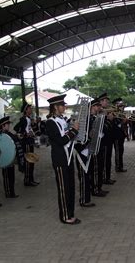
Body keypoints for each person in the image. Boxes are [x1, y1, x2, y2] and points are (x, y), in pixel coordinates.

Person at [45, 94, 81, 224]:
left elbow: (66, 136)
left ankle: (70, 212)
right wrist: (74, 131)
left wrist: (72, 130)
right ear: (55, 107)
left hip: (68, 157)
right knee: (64, 188)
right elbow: (60, 141)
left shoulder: (61, 119)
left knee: (70, 187)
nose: (64, 106)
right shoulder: (50, 122)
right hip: (60, 159)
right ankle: (65, 216)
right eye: (62, 105)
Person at [0, 116, 24, 198]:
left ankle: (11, 192)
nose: (9, 126)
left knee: (11, 176)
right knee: (7, 177)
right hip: (6, 159)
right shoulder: (0, 135)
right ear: (3, 125)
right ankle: (9, 192)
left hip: (10, 159)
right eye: (7, 124)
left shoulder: (8, 133)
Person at [14, 103, 39, 186]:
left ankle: (30, 179)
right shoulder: (23, 119)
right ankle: (27, 180)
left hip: (30, 142)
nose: (31, 110)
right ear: (25, 110)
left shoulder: (28, 119)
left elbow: (30, 129)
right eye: (29, 108)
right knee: (28, 161)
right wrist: (25, 134)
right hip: (26, 143)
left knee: (31, 161)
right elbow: (16, 128)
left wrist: (32, 132)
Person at [112, 98, 127, 172]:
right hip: (116, 136)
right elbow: (116, 125)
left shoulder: (120, 114)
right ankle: (118, 167)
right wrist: (122, 122)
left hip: (121, 136)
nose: (122, 108)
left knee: (121, 152)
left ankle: (120, 166)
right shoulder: (114, 114)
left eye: (122, 107)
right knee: (118, 152)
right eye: (120, 106)